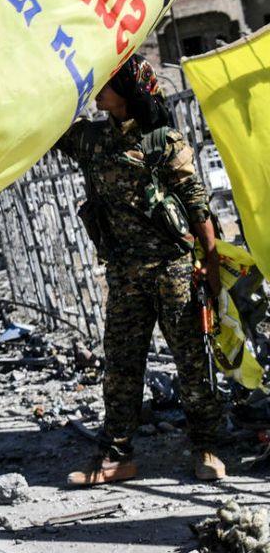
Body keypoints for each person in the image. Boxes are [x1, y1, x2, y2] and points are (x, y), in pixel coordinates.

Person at [57, 55, 225, 486]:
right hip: (125, 273)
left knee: (190, 361)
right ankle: (117, 455)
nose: (99, 89)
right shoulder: (90, 139)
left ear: (129, 92)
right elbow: (45, 129)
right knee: (121, 364)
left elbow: (195, 200)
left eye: (108, 81)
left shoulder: (162, 140)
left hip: (173, 269)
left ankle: (206, 448)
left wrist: (210, 262)